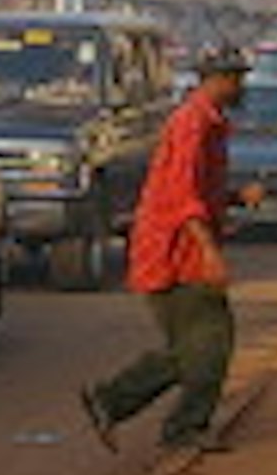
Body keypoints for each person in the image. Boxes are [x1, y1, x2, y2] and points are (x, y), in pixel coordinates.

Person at [80, 45, 258, 452]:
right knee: (208, 344)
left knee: (197, 346)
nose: (240, 86)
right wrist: (209, 252)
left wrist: (233, 197)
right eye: (236, 78)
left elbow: (200, 191)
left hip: (179, 250)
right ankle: (175, 424)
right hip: (174, 254)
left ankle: (116, 402)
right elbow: (182, 197)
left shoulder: (207, 123)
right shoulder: (192, 124)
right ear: (217, 80)